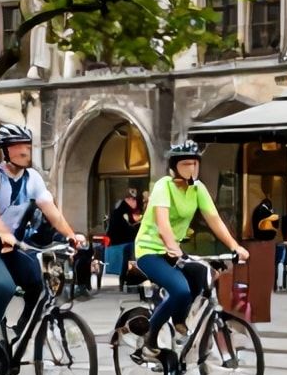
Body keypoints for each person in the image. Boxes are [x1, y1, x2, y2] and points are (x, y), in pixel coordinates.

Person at [0, 124, 85, 368]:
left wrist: (72, 235)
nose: (24, 151)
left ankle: (20, 331)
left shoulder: (33, 179)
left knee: (38, 286)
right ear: (4, 150)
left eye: (27, 146)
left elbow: (53, 213)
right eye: (17, 146)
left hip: (14, 246)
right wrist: (3, 233)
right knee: (5, 286)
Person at [133, 141, 249, 362]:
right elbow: (163, 223)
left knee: (201, 278)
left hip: (174, 251)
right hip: (149, 250)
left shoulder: (198, 189)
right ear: (175, 166)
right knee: (181, 290)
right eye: (186, 164)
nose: (192, 168)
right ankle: (149, 341)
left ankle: (179, 324)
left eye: (195, 164)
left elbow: (215, 220)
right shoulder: (163, 186)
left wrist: (235, 246)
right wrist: (173, 248)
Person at [104, 187, 144, 284]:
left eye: (134, 199)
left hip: (122, 242)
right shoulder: (122, 212)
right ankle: (128, 278)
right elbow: (128, 229)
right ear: (126, 199)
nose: (134, 202)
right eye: (131, 199)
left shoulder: (127, 211)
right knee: (130, 251)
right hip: (121, 243)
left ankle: (125, 279)